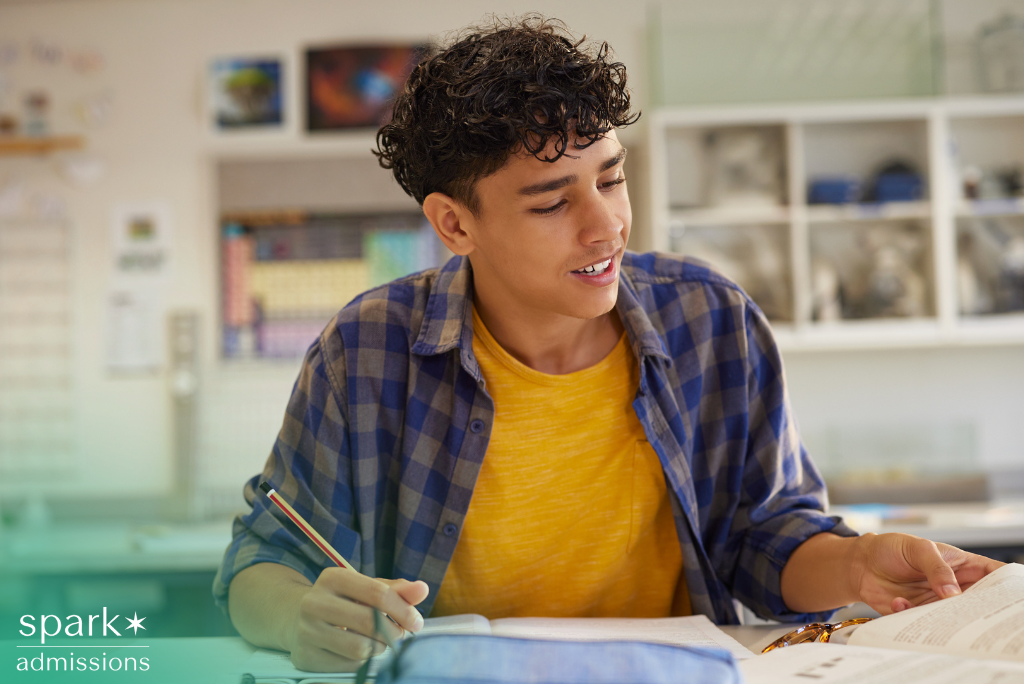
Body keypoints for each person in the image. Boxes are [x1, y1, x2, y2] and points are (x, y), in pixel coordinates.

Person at [214, 15, 1003, 672]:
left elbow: (766, 540)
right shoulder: (368, 351)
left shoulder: (713, 321)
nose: (607, 226)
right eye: (553, 202)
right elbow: (263, 561)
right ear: (455, 224)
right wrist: (297, 616)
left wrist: (857, 563)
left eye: (612, 178)